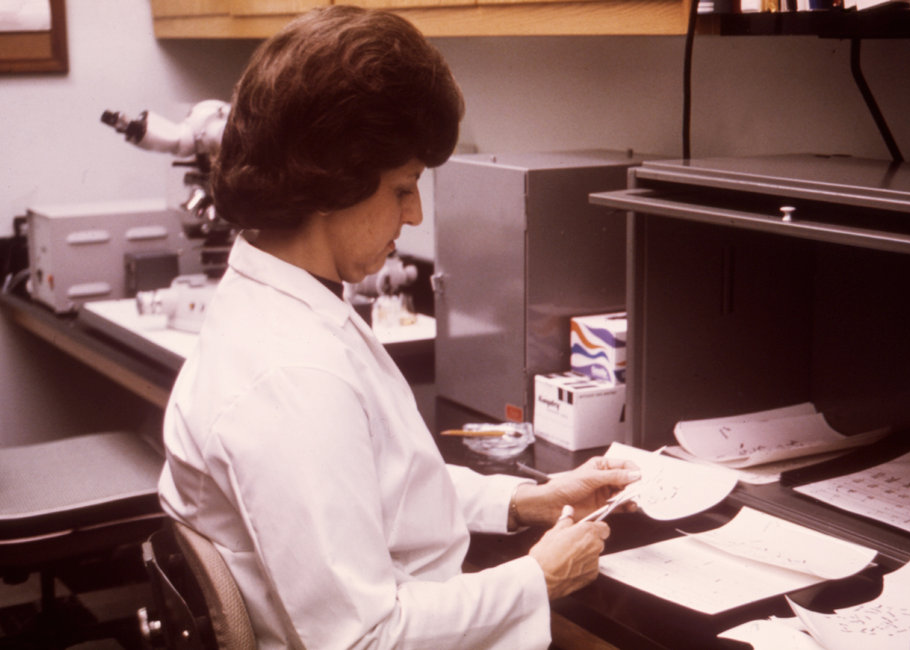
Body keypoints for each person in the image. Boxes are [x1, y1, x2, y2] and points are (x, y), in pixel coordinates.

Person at [158, 6, 639, 648]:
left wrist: (529, 499)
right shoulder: (293, 377)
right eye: (404, 187)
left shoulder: (278, 304)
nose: (414, 215)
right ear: (334, 180)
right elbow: (363, 640)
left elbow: (378, 493)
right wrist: (537, 579)